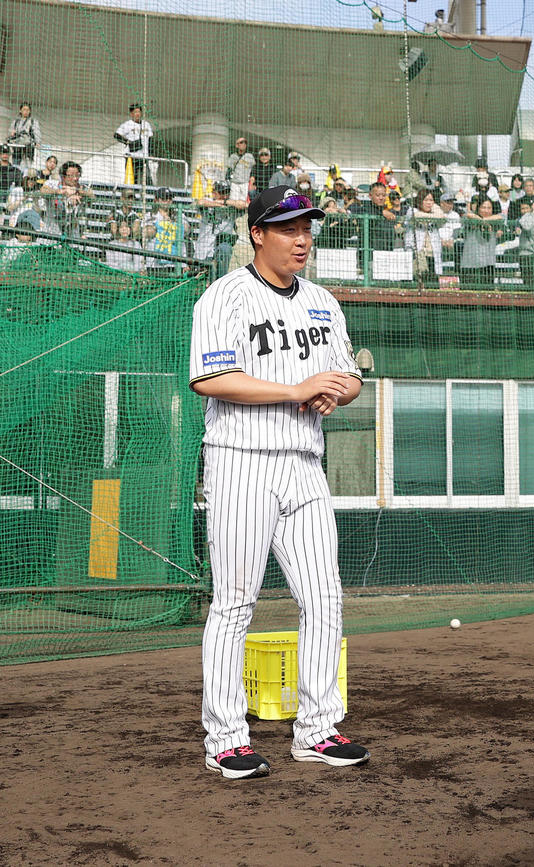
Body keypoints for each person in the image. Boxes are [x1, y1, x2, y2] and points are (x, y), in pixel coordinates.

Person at [189, 185, 370, 779]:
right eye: (289, 228)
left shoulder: (322, 301)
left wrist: (341, 389)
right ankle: (225, 738)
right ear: (257, 234)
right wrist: (297, 389)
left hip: (304, 465)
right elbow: (211, 379)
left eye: (308, 227)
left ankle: (316, 728)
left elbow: (349, 377)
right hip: (241, 461)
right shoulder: (225, 297)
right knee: (235, 603)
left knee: (323, 596)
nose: (303, 239)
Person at [195, 179, 246, 277]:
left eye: (227, 192)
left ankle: (220, 281)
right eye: (222, 192)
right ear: (214, 193)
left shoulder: (231, 208)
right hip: (204, 251)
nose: (225, 195)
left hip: (220, 250)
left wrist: (225, 202)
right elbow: (200, 202)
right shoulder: (208, 203)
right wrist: (218, 204)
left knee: (225, 248)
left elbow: (245, 205)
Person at [459, 198, 503, 288]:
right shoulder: (471, 221)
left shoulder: (495, 222)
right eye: (483, 207)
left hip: (487, 264)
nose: (486, 210)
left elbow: (500, 217)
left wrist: (485, 221)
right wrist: (483, 222)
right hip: (469, 264)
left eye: (489, 208)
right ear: (478, 208)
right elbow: (468, 216)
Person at [404, 188, 445, 284]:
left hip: (432, 254)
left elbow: (442, 218)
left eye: (431, 200)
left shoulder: (434, 212)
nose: (429, 203)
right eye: (426, 200)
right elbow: (417, 216)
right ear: (420, 200)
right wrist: (435, 215)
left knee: (432, 283)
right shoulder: (412, 210)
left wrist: (435, 208)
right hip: (417, 254)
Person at [143, 187, 186, 276]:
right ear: (156, 200)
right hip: (155, 264)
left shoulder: (179, 215)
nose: (167, 201)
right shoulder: (150, 216)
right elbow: (146, 233)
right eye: (163, 199)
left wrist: (174, 224)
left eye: (169, 198)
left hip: (175, 263)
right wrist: (162, 224)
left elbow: (187, 230)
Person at [349, 182, 399, 253]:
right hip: (368, 254)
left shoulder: (388, 211)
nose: (381, 198)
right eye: (378, 195)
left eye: (384, 195)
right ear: (370, 195)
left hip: (386, 253)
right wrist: (381, 213)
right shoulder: (364, 208)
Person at [48, 160, 92, 239]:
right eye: (71, 175)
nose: (75, 178)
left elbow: (92, 195)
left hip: (72, 235)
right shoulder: (53, 184)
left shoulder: (81, 187)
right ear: (63, 176)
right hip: (52, 233)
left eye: (77, 175)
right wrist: (60, 191)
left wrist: (79, 192)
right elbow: (43, 189)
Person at [114, 103, 153, 187]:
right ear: (131, 114)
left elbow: (150, 139)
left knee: (147, 178)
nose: (138, 114)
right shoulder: (127, 124)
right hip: (131, 156)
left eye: (139, 112)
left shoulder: (146, 124)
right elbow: (116, 135)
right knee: (132, 178)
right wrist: (128, 142)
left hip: (144, 156)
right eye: (135, 112)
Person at [6, 103, 40, 173]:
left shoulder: (33, 121)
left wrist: (37, 142)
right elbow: (9, 134)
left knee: (28, 165)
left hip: (28, 146)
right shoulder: (16, 122)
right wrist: (12, 133)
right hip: (17, 146)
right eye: (24, 109)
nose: (26, 111)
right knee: (16, 165)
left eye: (28, 110)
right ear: (20, 111)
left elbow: (37, 133)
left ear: (30, 111)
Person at [225, 138, 255, 203]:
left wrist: (251, 183)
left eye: (245, 143)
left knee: (242, 202)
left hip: (245, 182)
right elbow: (229, 170)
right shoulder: (233, 156)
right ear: (237, 145)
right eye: (241, 142)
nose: (243, 144)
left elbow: (253, 170)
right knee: (233, 201)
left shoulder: (250, 156)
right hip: (234, 183)